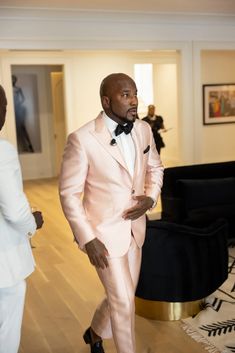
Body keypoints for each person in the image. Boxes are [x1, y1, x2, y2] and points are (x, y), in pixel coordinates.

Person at [59, 73, 164, 353]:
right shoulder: (81, 139)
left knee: (123, 296)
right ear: (107, 101)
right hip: (103, 236)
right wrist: (87, 237)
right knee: (124, 302)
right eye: (126, 95)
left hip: (135, 231)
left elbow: (155, 168)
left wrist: (150, 199)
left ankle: (94, 333)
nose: (134, 101)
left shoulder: (142, 129)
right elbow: (69, 194)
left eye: (135, 94)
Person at [0, 85, 43, 353]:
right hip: (4, 264)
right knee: (6, 328)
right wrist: (32, 224)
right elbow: (15, 211)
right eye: (3, 106)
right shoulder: (2, 150)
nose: (6, 111)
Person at [12, 75, 34, 153]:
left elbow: (23, 98)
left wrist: (17, 103)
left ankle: (30, 146)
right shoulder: (9, 88)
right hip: (12, 111)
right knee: (15, 130)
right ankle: (16, 149)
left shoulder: (18, 89)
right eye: (12, 79)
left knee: (23, 129)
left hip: (18, 110)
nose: (13, 81)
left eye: (14, 79)